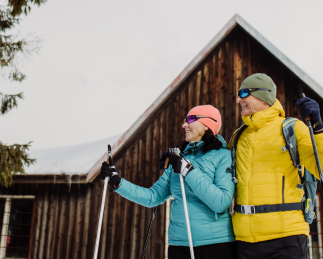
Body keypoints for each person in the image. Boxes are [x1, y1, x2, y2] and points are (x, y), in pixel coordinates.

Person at [230, 73, 323, 259]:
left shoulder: (292, 129)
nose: (238, 100)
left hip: (286, 238)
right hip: (244, 241)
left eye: (244, 93)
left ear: (264, 97)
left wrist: (318, 126)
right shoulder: (238, 136)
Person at [100, 105, 237, 259]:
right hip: (179, 246)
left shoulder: (223, 156)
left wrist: (188, 170)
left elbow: (221, 202)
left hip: (215, 246)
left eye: (191, 119)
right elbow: (153, 197)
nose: (184, 125)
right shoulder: (179, 160)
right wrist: (118, 182)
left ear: (207, 125)